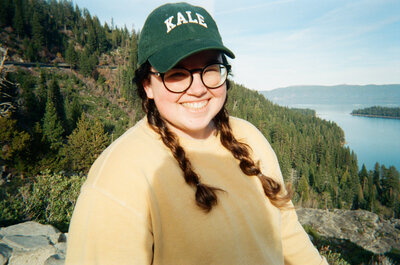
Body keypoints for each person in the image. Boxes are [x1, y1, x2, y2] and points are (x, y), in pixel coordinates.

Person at [65, 2, 328, 265]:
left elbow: (289, 236)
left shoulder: (250, 138)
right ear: (148, 85)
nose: (199, 89)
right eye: (177, 74)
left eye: (210, 69)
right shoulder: (120, 176)